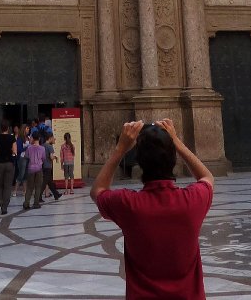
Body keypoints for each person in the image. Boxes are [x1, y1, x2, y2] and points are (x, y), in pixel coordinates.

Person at [91, 119, 214, 300]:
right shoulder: (193, 200)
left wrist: (120, 149)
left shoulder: (128, 204)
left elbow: (97, 191)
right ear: (173, 159)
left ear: (140, 162)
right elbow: (207, 177)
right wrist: (176, 142)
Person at [0, 120, 17, 215]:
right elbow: (15, 152)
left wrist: (0, 151)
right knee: (7, 186)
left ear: (0, 128)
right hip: (9, 163)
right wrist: (10, 152)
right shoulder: (12, 138)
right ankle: (4, 207)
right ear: (8, 128)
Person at [23, 131, 45, 210]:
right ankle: (36, 203)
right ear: (39, 138)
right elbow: (44, 158)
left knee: (29, 187)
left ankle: (26, 203)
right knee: (38, 186)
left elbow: (26, 156)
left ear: (33, 138)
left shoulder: (29, 148)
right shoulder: (42, 148)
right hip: (39, 168)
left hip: (31, 169)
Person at [41, 133, 62, 202]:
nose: (54, 139)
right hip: (48, 166)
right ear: (50, 138)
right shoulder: (50, 147)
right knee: (44, 182)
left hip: (43, 165)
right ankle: (38, 196)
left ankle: (56, 194)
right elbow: (51, 157)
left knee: (50, 182)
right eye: (53, 138)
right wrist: (55, 157)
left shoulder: (42, 145)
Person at [13, 125, 29, 197]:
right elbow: (19, 149)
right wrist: (27, 148)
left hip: (27, 157)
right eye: (27, 128)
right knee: (21, 174)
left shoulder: (28, 138)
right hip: (21, 158)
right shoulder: (19, 139)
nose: (28, 130)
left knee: (25, 174)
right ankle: (15, 190)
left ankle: (25, 190)